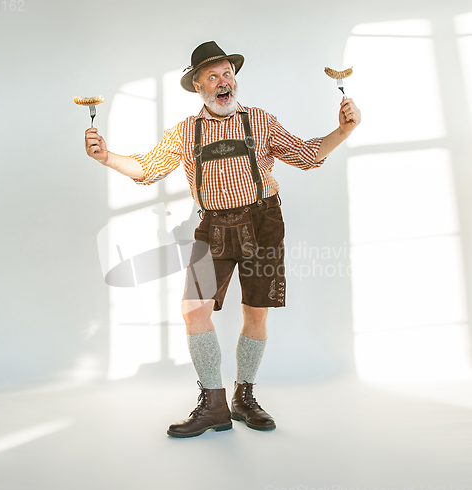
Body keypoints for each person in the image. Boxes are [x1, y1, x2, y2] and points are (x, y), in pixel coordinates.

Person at [84, 41, 361, 438]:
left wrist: (345, 130)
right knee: (194, 309)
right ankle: (213, 403)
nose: (223, 82)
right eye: (212, 76)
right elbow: (145, 168)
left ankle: (243, 397)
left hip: (263, 222)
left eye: (227, 73)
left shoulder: (260, 121)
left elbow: (307, 154)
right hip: (211, 228)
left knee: (256, 311)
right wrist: (106, 157)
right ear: (198, 87)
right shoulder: (185, 133)